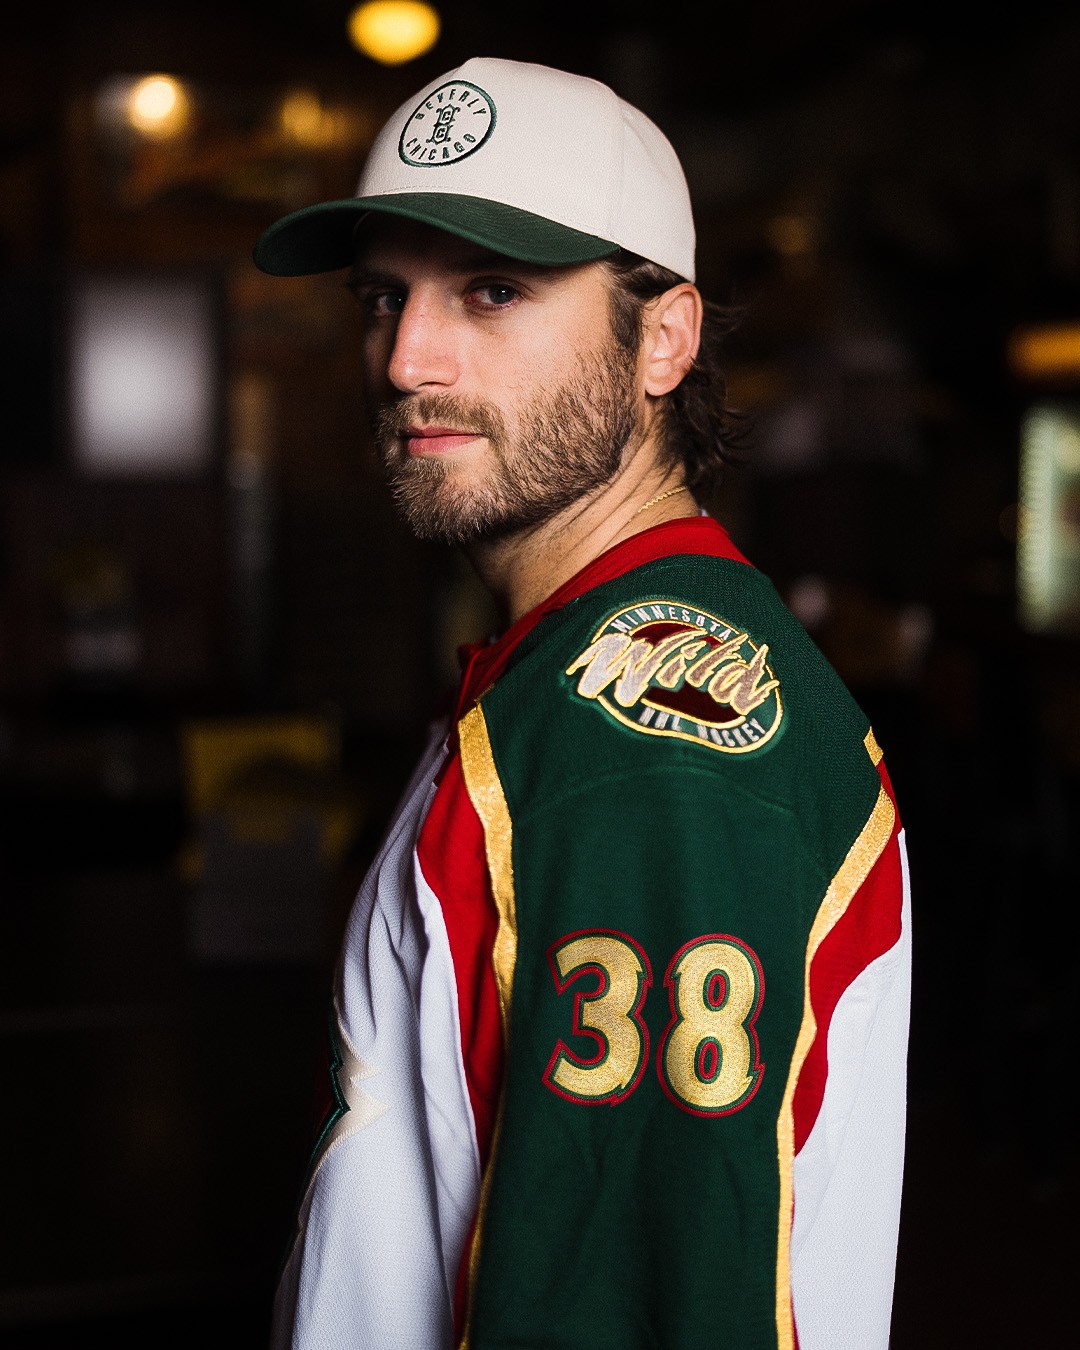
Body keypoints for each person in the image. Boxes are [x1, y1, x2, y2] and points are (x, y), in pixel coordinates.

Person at [253, 55, 912, 1350]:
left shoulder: (648, 736)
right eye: (384, 296)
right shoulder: (568, 669)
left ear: (663, 338)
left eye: (492, 290)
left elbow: (647, 1302)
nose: (406, 357)